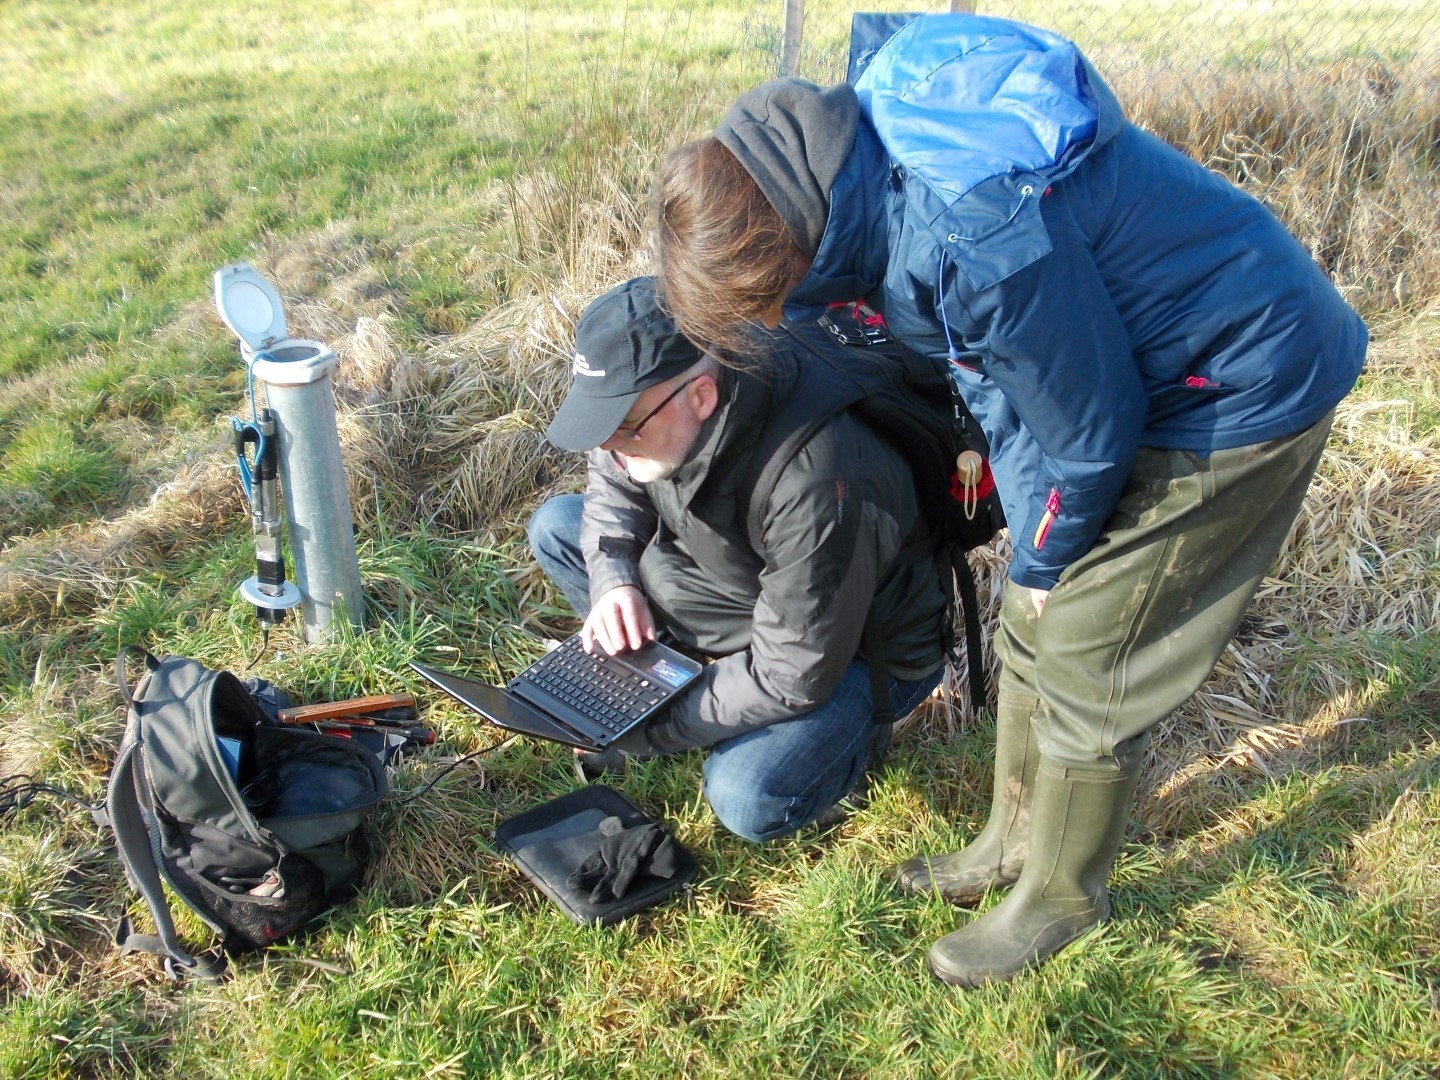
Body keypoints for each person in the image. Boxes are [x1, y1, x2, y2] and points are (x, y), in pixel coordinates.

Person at [651, 13, 1367, 985]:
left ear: (792, 252)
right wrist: (1033, 563)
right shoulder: (862, 168)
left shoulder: (965, 232)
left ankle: (1062, 896)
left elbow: (1083, 432)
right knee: (1034, 619)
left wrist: (1042, 554)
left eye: (772, 304)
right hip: (1142, 366)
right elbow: (1011, 388)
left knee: (1090, 650)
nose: (785, 325)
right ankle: (1006, 842)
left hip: (1240, 379)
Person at [527, 276, 950, 843]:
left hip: (858, 649)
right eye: (602, 429)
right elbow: (612, 481)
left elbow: (790, 672)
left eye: (624, 427)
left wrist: (643, 726)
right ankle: (659, 674)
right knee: (558, 526)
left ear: (701, 396)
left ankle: (846, 751)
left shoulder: (816, 480)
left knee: (747, 795)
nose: (609, 446)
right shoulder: (652, 416)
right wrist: (614, 581)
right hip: (741, 583)